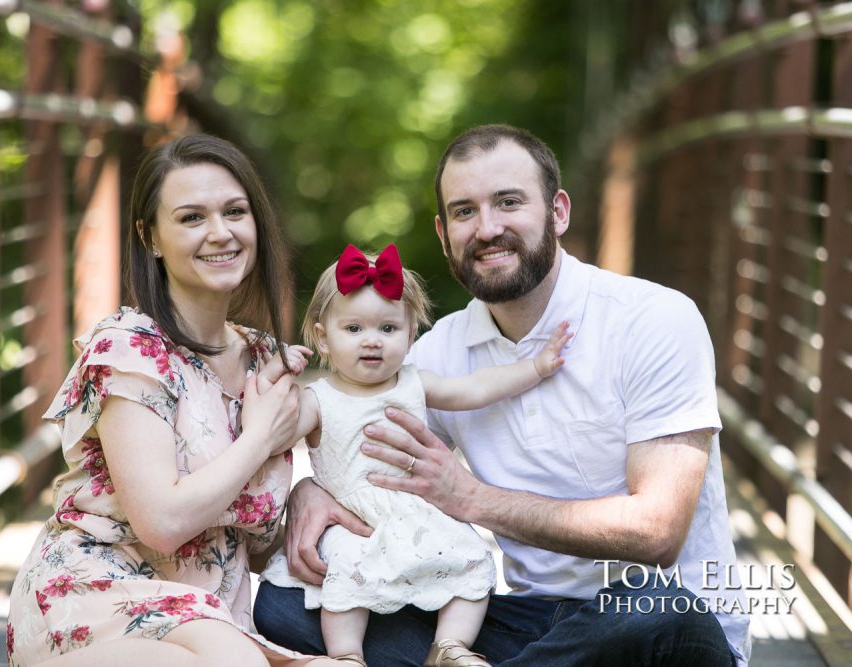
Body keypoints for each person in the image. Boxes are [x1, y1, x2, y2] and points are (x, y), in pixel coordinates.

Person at [253, 124, 751, 666]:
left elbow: (657, 533)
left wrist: (471, 499)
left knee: (661, 610)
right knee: (286, 604)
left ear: (558, 212)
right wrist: (312, 491)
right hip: (522, 624)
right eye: (465, 211)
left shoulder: (652, 318)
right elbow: (361, 446)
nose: (487, 228)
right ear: (444, 235)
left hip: (649, 624)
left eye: (508, 202)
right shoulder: (432, 355)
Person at [6, 134, 346, 667]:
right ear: (152, 238)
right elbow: (162, 523)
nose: (221, 233)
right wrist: (260, 438)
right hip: (101, 604)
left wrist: (305, 495)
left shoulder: (264, 361)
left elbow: (242, 539)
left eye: (236, 211)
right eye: (191, 218)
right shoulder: (130, 350)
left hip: (208, 619)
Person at [258, 243, 572, 667]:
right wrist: (274, 374)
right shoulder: (318, 400)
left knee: (469, 559)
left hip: (415, 512)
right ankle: (347, 655)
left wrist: (534, 368)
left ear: (411, 336)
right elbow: (268, 436)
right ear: (322, 338)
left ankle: (450, 647)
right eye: (353, 329)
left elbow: (476, 387)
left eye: (388, 329)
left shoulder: (414, 383)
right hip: (355, 518)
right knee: (347, 572)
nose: (372, 341)